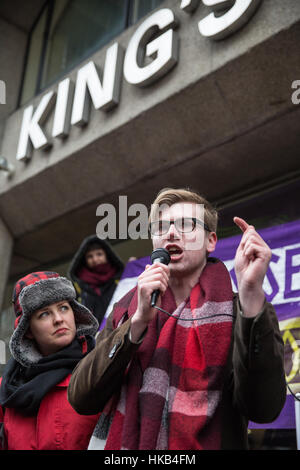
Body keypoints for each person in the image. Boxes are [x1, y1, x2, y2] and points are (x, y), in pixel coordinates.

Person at [68, 188, 286, 450]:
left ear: (211, 241)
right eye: (161, 227)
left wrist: (251, 296)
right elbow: (81, 398)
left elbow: (263, 408)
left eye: (186, 224)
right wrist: (136, 325)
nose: (171, 233)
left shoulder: (243, 309)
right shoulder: (126, 310)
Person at [0, 271, 100, 450]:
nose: (59, 319)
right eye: (44, 314)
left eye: (63, 307)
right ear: (28, 330)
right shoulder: (6, 389)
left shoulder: (100, 368)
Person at [68, 235, 124, 327]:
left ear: (107, 255)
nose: (95, 259)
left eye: (99, 254)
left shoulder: (121, 278)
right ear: (84, 260)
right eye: (90, 256)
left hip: (120, 330)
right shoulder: (77, 286)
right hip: (93, 337)